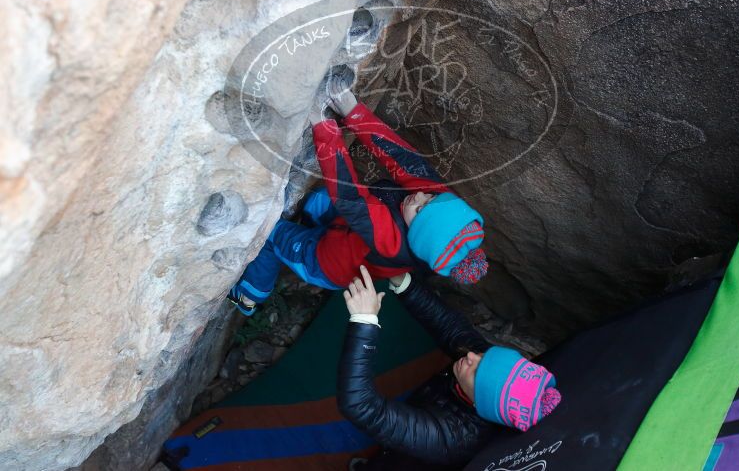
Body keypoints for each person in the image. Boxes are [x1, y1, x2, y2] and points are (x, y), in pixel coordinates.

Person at [227, 76, 489, 315]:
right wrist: (352, 111)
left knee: (269, 234)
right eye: (431, 199)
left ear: (416, 235)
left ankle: (250, 296)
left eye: (420, 210)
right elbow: (400, 156)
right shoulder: (435, 199)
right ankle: (307, 228)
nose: (419, 196)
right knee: (318, 200)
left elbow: (348, 196)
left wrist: (324, 126)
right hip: (346, 232)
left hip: (326, 262)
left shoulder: (391, 241)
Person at [338, 266, 561, 467]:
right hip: (427, 409)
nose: (472, 357)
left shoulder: (449, 438)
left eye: (476, 371)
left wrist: (364, 321)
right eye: (486, 356)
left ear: (478, 403)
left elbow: (361, 406)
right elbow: (450, 328)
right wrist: (403, 282)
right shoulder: (486, 371)